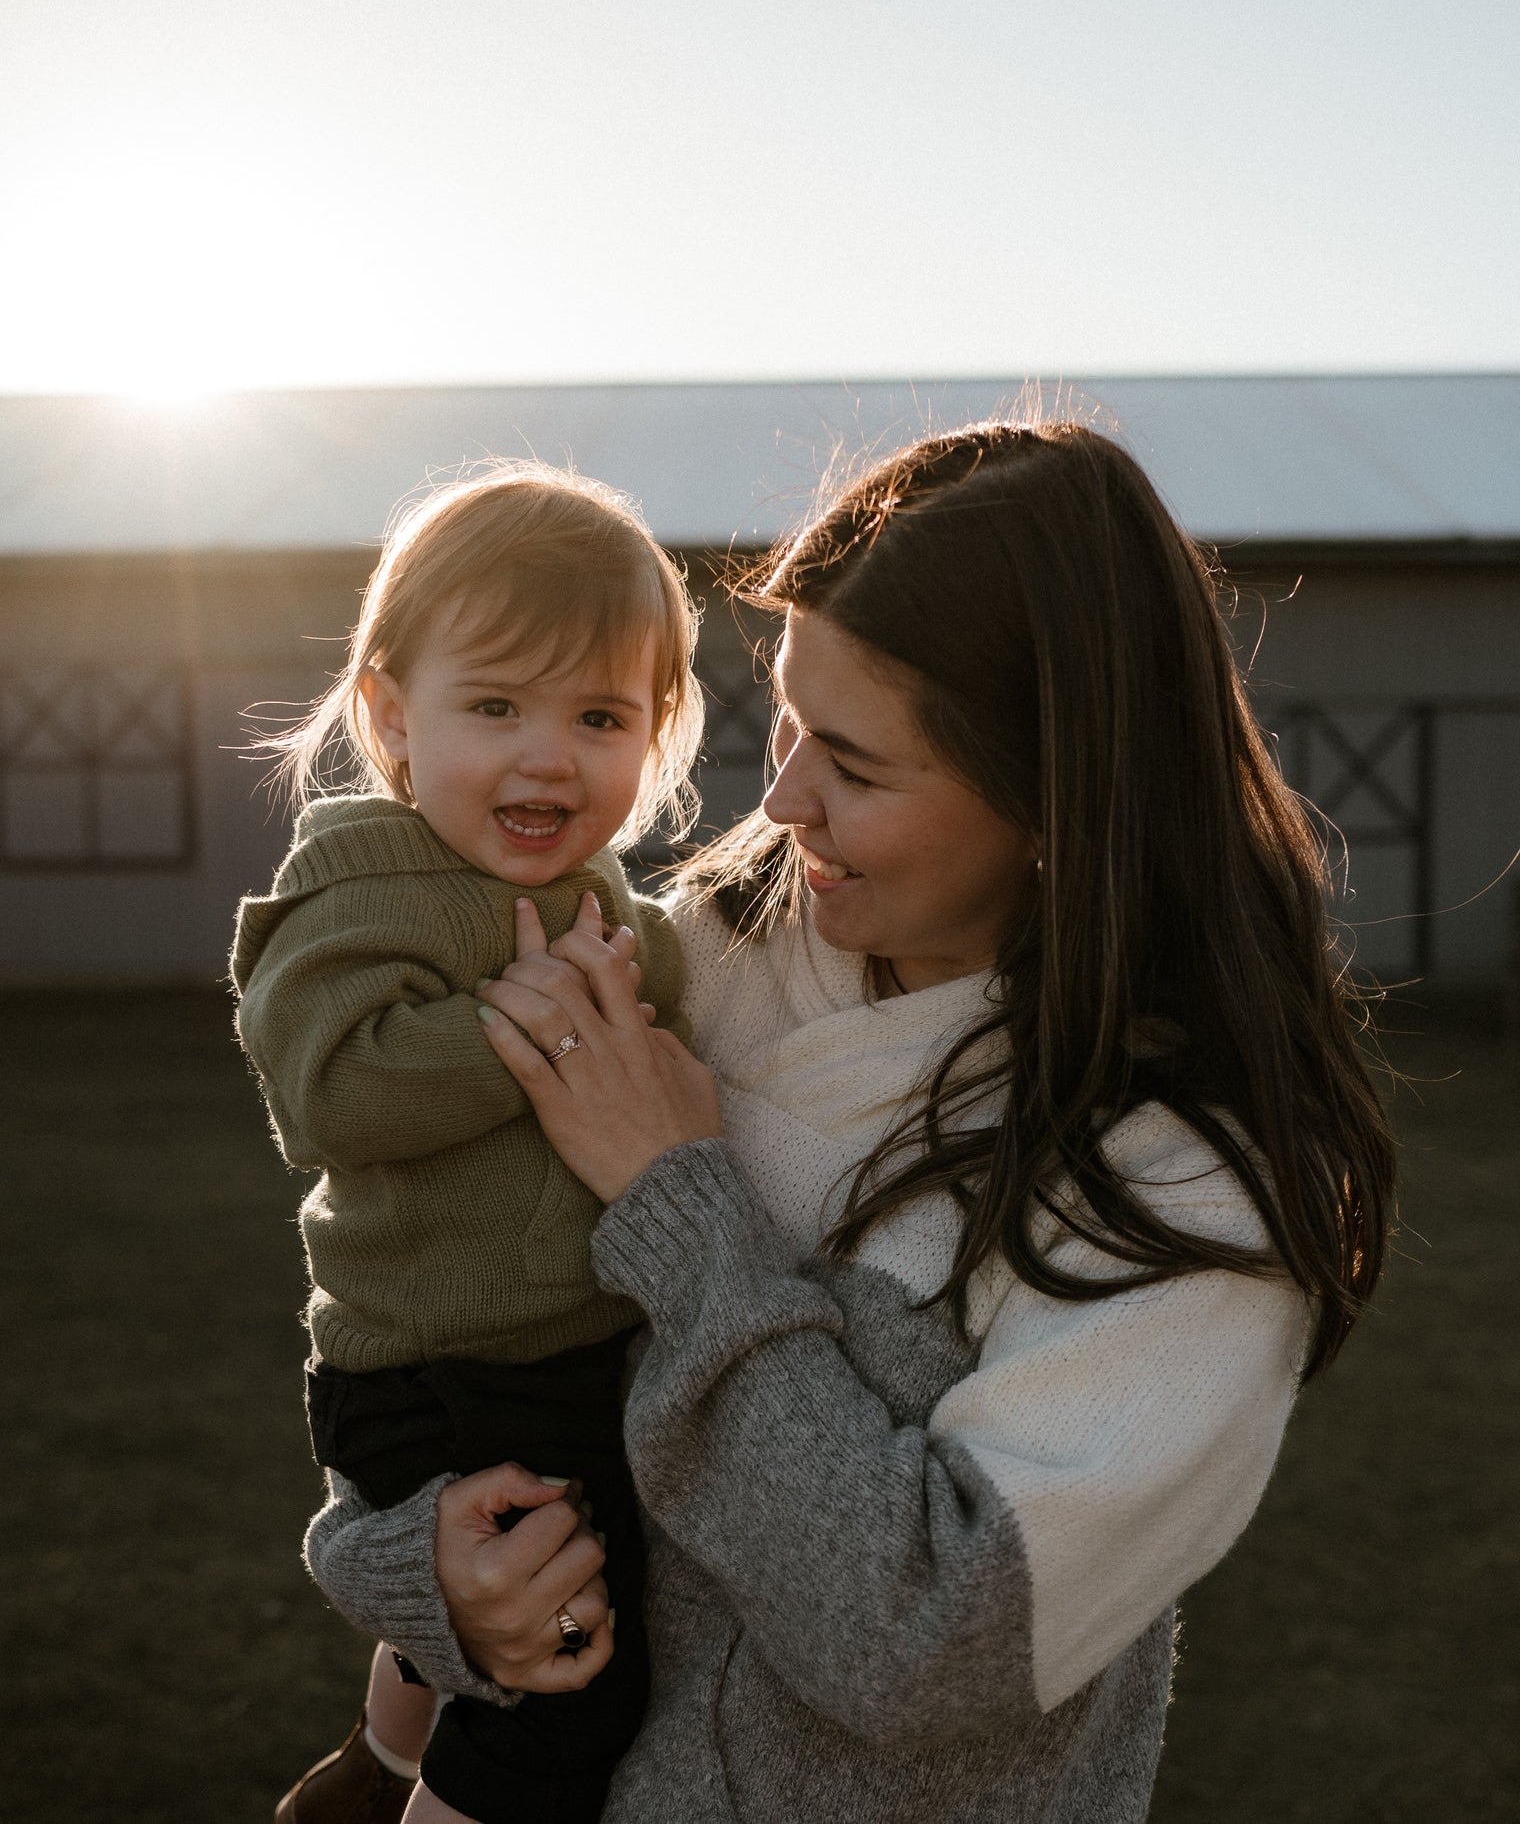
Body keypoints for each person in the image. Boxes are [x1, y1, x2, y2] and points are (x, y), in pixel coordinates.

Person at [302, 420, 1394, 1823]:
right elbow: (419, 1288)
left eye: (860, 768)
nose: (782, 797)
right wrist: (420, 1570)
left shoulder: (1188, 1181)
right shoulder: (711, 947)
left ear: (1060, 796)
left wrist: (678, 1200)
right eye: (793, 719)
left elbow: (935, 1639)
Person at [231, 462, 703, 1824]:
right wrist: (530, 1028)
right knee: (571, 1681)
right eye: (494, 705)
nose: (548, 753)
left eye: (600, 714)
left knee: (532, 1605)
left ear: (657, 728)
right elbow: (335, 1091)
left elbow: (662, 970)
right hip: (437, 1366)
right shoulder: (358, 879)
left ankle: (374, 1767)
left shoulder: (587, 890)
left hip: (547, 1350)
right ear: (389, 712)